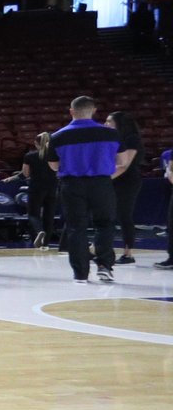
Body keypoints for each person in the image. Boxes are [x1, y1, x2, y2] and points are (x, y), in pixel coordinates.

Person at [49, 96, 119, 284]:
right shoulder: (111, 134)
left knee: (76, 228)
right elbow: (121, 161)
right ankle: (104, 266)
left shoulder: (58, 136)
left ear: (71, 111)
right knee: (105, 224)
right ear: (94, 110)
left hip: (72, 185)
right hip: (102, 183)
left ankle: (80, 273)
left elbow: (54, 166)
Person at [108, 110, 144, 264]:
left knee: (124, 216)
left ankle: (128, 254)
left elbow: (124, 165)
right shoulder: (113, 139)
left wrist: (104, 179)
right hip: (114, 179)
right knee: (107, 216)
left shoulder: (131, 139)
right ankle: (102, 250)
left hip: (127, 180)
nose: (106, 124)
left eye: (109, 121)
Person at [22, 132, 59, 248]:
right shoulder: (55, 155)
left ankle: (39, 232)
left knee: (33, 214)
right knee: (49, 215)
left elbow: (26, 173)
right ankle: (46, 243)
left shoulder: (30, 155)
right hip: (52, 187)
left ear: (36, 143)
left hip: (36, 187)